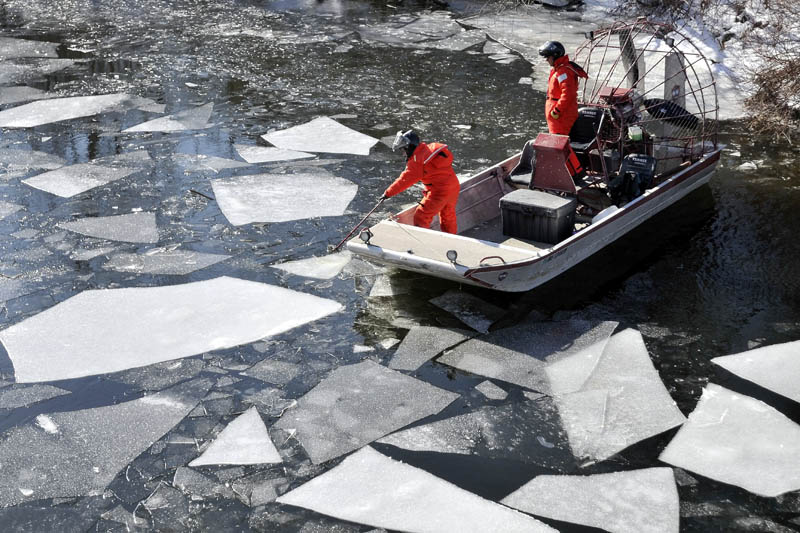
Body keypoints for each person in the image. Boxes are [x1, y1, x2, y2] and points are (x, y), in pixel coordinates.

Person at [382, 130, 460, 234]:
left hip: (439, 192)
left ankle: (424, 241)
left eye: (404, 150)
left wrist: (388, 193)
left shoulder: (417, 161)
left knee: (421, 216)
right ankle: (452, 239)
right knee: (448, 216)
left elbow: (404, 180)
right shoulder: (427, 150)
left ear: (410, 147)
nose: (403, 153)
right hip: (453, 186)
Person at [539, 40, 588, 179]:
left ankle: (576, 173)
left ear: (555, 56)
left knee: (561, 145)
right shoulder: (559, 69)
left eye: (548, 57)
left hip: (561, 116)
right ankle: (570, 171)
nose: (546, 60)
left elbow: (568, 95)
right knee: (559, 143)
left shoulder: (563, 71)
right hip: (557, 116)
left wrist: (556, 111)